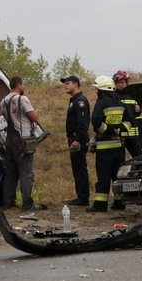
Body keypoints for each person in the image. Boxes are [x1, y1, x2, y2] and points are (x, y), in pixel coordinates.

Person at [0, 76, 43, 210]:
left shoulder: (3, 101)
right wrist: (37, 112)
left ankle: (8, 202)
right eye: (23, 84)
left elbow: (5, 117)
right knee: (26, 171)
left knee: (11, 172)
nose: (23, 86)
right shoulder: (22, 99)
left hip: (9, 139)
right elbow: (33, 117)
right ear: (18, 85)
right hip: (23, 138)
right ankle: (27, 204)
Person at [88, 75, 129, 212]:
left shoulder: (102, 102)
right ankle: (119, 202)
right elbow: (129, 122)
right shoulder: (120, 102)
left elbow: (96, 121)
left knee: (103, 176)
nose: (96, 91)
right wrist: (120, 129)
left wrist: (108, 130)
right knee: (117, 175)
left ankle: (100, 204)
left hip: (104, 147)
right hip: (118, 146)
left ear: (103, 89)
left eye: (97, 89)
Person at [61, 74, 90, 207]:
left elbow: (83, 123)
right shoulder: (73, 100)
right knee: (76, 168)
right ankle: (80, 196)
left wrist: (77, 139)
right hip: (72, 138)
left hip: (78, 139)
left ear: (76, 84)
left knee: (80, 168)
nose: (65, 86)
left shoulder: (80, 101)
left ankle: (83, 197)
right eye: (65, 83)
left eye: (68, 83)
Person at [112, 70, 142, 158]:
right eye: (118, 83)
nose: (120, 84)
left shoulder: (133, 95)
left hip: (133, 135)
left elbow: (136, 114)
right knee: (119, 160)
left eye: (122, 82)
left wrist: (138, 110)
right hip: (120, 134)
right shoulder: (113, 96)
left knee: (139, 157)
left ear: (126, 82)